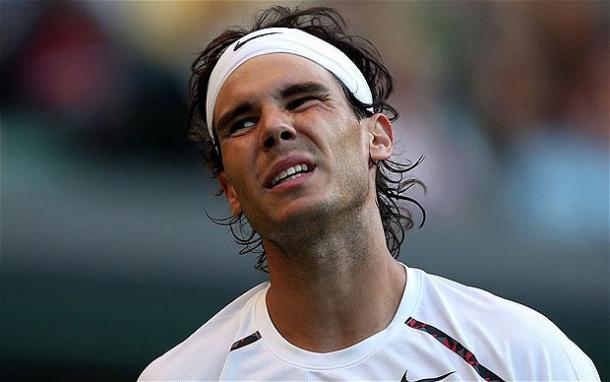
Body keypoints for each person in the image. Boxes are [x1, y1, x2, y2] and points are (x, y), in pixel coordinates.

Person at [138, 6, 599, 381]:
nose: (275, 127)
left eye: (301, 100)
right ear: (229, 190)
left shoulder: (525, 355)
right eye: (241, 122)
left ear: (377, 137)